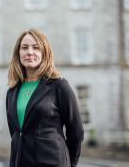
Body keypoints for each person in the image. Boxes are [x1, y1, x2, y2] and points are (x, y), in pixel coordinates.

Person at [6, 28, 84, 167]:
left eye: (36, 47)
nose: (30, 52)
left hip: (52, 162)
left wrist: (71, 163)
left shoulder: (59, 86)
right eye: (24, 48)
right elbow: (16, 134)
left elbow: (76, 131)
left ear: (44, 53)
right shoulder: (12, 92)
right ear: (18, 53)